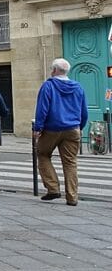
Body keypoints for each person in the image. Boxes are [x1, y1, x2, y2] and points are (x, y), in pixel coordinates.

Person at [33, 58, 89, 205]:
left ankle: (53, 188)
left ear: (54, 70)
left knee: (43, 154)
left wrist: (38, 128)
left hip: (52, 129)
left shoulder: (48, 86)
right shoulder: (78, 87)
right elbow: (84, 112)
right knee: (70, 162)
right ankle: (72, 197)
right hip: (72, 129)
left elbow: (42, 109)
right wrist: (79, 127)